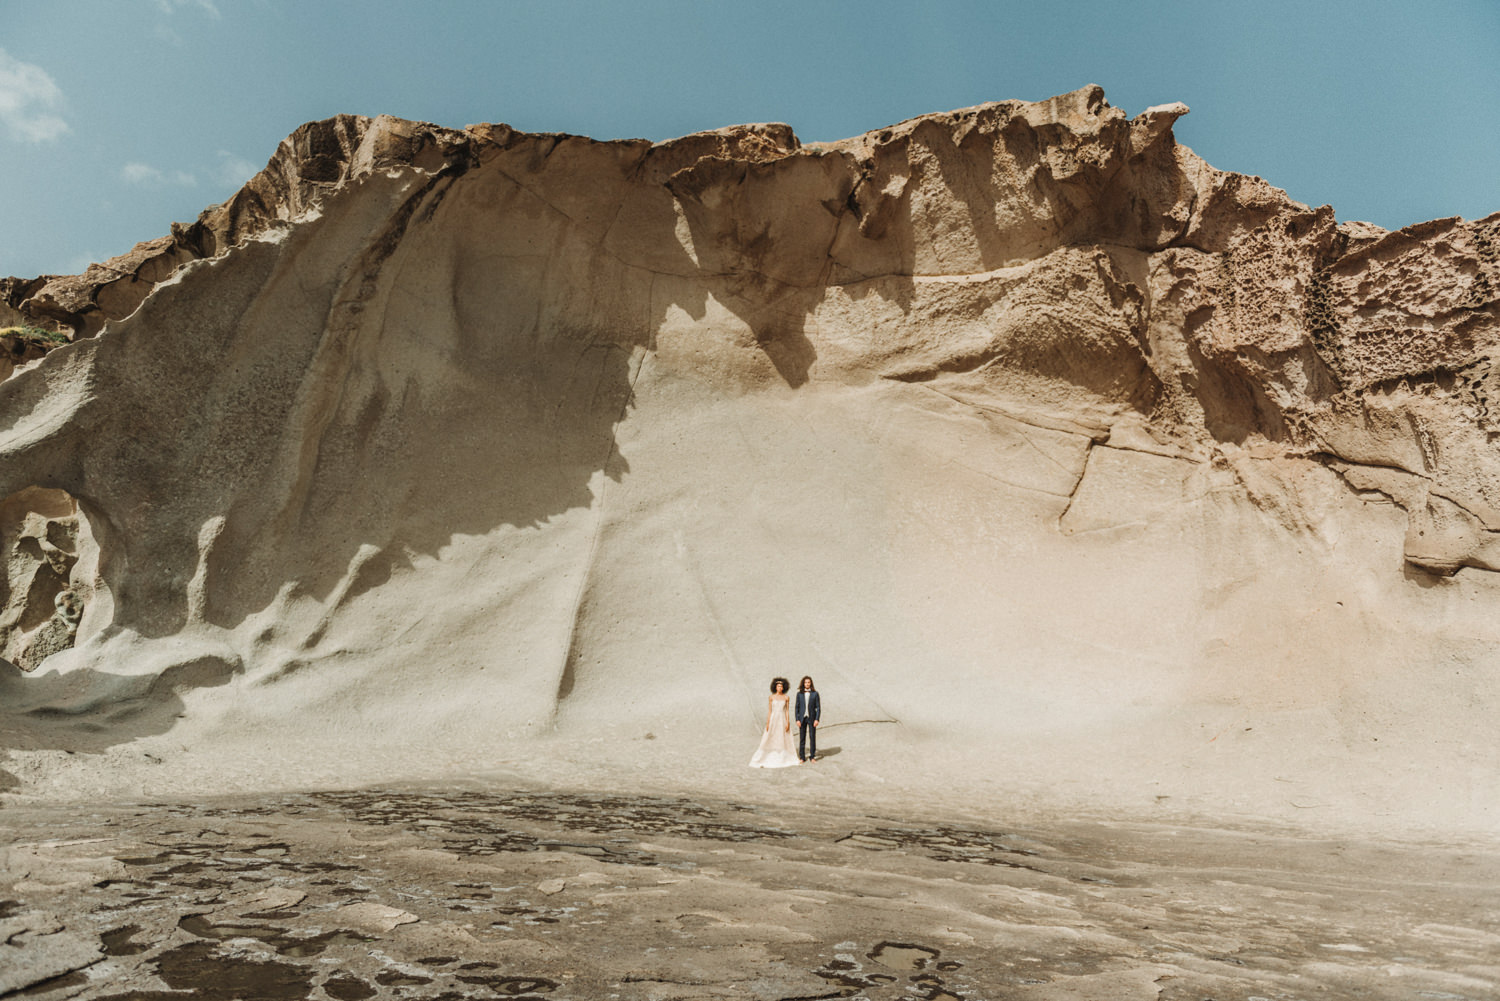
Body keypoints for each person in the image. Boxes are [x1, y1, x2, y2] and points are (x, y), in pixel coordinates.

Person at [748, 677, 800, 768]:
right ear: (775, 687)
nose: (779, 688)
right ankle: (765, 755)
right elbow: (770, 711)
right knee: (770, 736)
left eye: (781, 686)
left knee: (782, 736)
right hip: (773, 718)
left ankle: (783, 756)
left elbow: (787, 711)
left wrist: (788, 722)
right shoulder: (771, 697)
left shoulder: (786, 697)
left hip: (782, 718)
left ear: (783, 687)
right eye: (778, 686)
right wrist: (768, 723)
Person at [794, 675, 820, 762]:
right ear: (803, 683)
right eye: (806, 682)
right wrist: (797, 719)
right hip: (802, 718)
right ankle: (802, 757)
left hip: (812, 718)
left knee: (812, 737)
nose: (807, 684)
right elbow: (796, 707)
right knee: (802, 738)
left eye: (809, 682)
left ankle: (812, 756)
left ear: (811, 683)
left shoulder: (815, 693)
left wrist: (817, 719)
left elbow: (818, 707)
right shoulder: (799, 694)